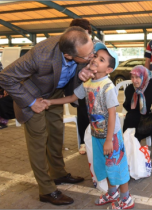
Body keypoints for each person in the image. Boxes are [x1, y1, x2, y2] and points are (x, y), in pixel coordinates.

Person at [0, 26, 94, 205]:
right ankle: (47, 190)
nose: (91, 57)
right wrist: (32, 103)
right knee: (39, 140)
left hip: (55, 91)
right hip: (32, 95)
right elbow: (5, 77)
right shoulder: (40, 55)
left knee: (56, 133)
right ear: (68, 55)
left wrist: (81, 74)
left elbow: (91, 60)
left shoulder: (81, 44)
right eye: (87, 56)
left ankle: (58, 173)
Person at [44, 42, 134, 209]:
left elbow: (113, 114)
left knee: (116, 166)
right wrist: (50, 101)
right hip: (96, 134)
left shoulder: (108, 87)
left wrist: (109, 140)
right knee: (103, 165)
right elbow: (71, 98)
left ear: (108, 70)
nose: (95, 60)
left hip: (111, 137)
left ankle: (126, 198)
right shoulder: (88, 83)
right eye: (95, 56)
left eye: (101, 59)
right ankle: (112, 192)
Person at [69, 18, 95, 155]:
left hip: (96, 86)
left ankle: (97, 140)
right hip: (79, 86)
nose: (84, 37)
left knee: (97, 113)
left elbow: (108, 60)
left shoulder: (96, 44)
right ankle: (84, 142)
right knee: (83, 114)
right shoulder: (70, 47)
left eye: (86, 33)